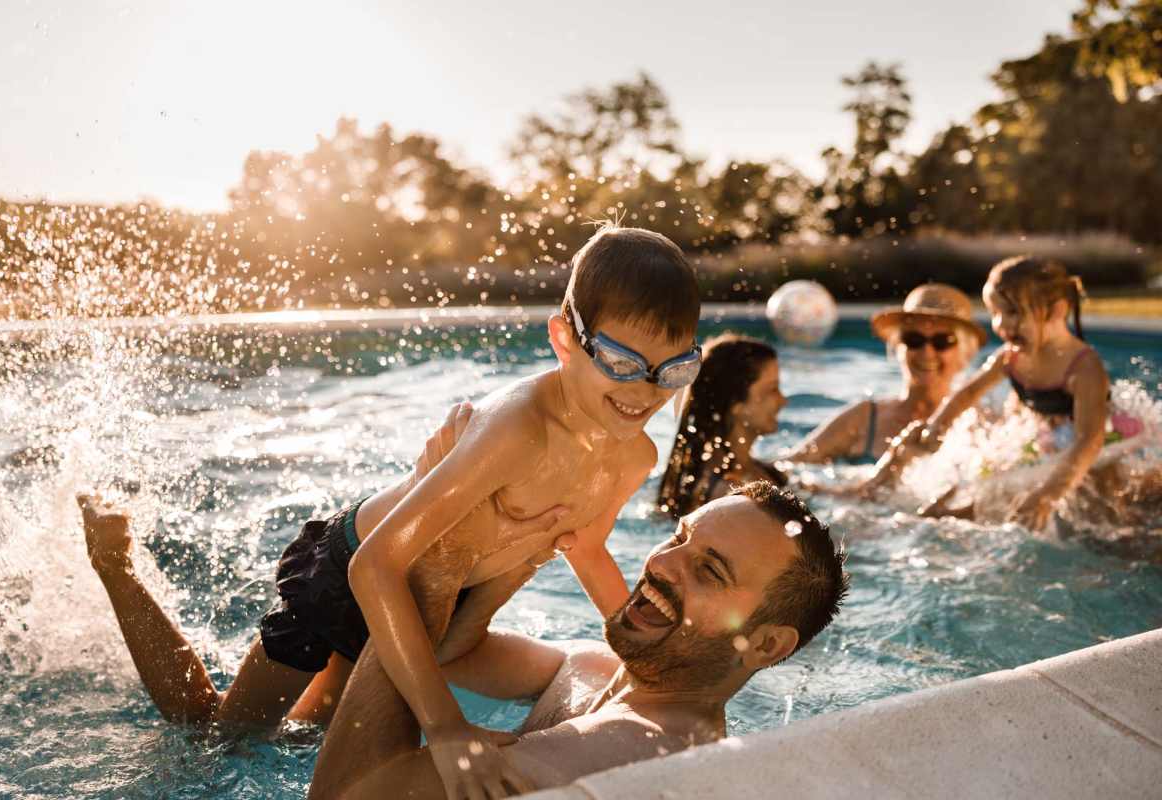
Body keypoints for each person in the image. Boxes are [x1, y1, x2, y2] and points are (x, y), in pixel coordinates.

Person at [82, 224, 705, 797]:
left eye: (672, 371)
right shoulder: (517, 428)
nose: (642, 393)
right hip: (347, 574)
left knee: (310, 733)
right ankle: (116, 564)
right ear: (564, 338)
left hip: (433, 602)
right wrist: (447, 725)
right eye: (621, 364)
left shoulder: (632, 457)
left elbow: (586, 549)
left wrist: (650, 658)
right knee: (221, 735)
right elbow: (374, 567)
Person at [313, 480, 849, 799]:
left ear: (766, 645)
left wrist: (437, 556)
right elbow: (453, 654)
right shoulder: (595, 668)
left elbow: (347, 796)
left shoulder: (639, 750)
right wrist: (524, 542)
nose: (660, 563)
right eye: (679, 538)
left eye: (709, 571)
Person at [864, 256, 1122, 529]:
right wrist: (937, 427)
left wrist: (1048, 495)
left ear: (1056, 311)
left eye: (1013, 312)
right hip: (1053, 437)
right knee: (993, 491)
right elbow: (967, 393)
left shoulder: (1083, 368)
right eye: (995, 313)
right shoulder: (1010, 357)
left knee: (1104, 518)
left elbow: (1089, 441)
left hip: (1102, 443)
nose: (1002, 325)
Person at [784, 283, 985, 464]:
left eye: (942, 342)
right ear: (897, 347)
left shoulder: (981, 426)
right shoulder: (863, 418)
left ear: (965, 354)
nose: (927, 352)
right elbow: (788, 468)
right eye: (913, 339)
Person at [657, 334, 787, 518]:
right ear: (736, 404)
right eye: (772, 389)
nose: (783, 401)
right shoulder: (724, 493)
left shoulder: (761, 470)